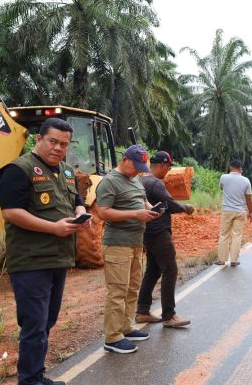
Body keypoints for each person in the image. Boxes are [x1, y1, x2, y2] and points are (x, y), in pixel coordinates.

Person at [0, 117, 88, 385]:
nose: (58, 148)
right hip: (30, 261)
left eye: (64, 144)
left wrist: (82, 214)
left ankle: (35, 374)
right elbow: (11, 213)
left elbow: (78, 202)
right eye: (53, 142)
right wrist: (53, 228)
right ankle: (30, 380)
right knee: (34, 325)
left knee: (47, 321)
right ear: (39, 139)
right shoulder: (18, 169)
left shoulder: (67, 171)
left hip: (58, 259)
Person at [96, 145, 161, 354]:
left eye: (142, 168)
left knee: (132, 287)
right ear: (124, 160)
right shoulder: (109, 182)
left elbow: (143, 202)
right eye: (136, 166)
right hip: (117, 244)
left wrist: (152, 210)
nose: (139, 171)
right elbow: (103, 213)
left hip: (135, 242)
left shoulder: (136, 180)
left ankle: (125, 327)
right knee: (117, 290)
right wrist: (136, 214)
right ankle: (112, 337)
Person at [136, 151, 194, 328]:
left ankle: (142, 311)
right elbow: (171, 204)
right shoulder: (155, 183)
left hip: (147, 232)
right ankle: (169, 315)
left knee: (153, 270)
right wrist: (186, 208)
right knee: (170, 269)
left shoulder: (140, 181)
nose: (167, 172)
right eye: (167, 168)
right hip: (159, 233)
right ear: (162, 165)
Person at [215, 159, 252, 267]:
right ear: (240, 168)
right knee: (237, 236)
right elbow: (248, 198)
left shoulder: (224, 177)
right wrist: (250, 212)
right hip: (240, 211)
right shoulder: (246, 181)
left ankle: (221, 260)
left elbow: (222, 188)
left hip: (227, 211)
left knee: (224, 235)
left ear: (231, 167)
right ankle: (234, 261)